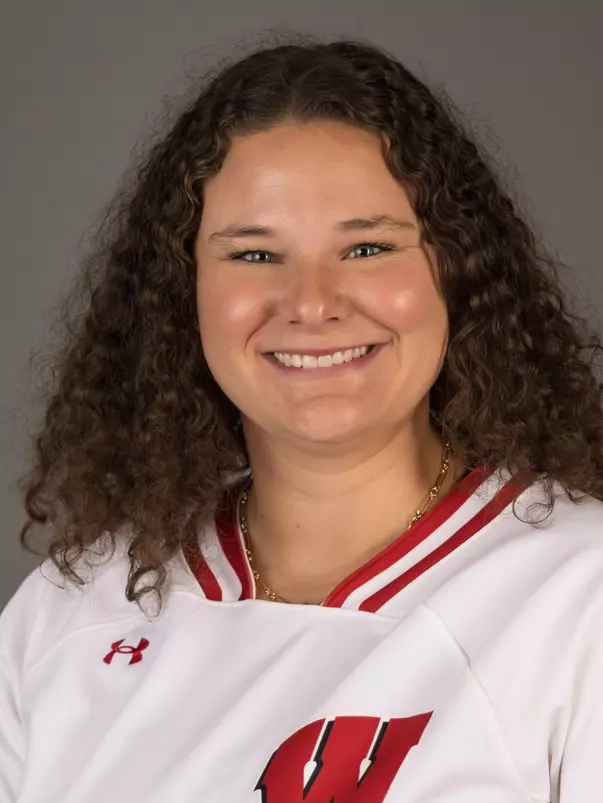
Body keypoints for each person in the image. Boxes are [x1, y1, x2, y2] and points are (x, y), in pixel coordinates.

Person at [1, 34, 602, 803]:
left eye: (367, 247)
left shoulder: (576, 595)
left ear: (455, 271)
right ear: (183, 292)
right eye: (254, 255)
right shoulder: (70, 608)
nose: (312, 303)